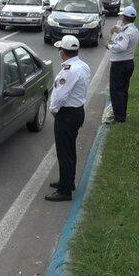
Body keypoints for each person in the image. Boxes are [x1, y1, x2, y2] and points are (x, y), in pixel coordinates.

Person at [46, 35, 91, 202]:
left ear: (63, 52)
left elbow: (59, 96)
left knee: (64, 152)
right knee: (69, 149)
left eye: (60, 50)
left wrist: (53, 110)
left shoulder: (69, 70)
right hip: (77, 111)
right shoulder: (83, 66)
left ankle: (65, 191)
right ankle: (67, 181)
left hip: (67, 114)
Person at [106, 5, 139, 123]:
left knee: (116, 91)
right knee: (124, 90)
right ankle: (122, 114)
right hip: (129, 63)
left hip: (119, 65)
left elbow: (121, 46)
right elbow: (126, 34)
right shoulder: (134, 30)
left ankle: (119, 117)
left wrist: (109, 46)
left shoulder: (126, 33)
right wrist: (118, 28)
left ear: (124, 18)